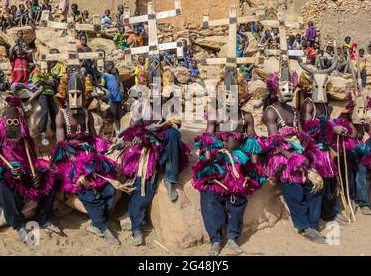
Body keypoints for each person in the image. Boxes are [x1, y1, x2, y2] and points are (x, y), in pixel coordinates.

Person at [52, 72, 134, 245]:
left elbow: (95, 139)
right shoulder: (61, 116)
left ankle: (96, 224)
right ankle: (103, 227)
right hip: (70, 158)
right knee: (88, 191)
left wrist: (100, 153)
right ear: (66, 95)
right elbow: (61, 144)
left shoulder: (88, 115)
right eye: (72, 95)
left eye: (79, 95)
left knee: (111, 188)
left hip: (90, 155)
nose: (75, 99)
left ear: (85, 95)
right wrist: (76, 159)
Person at [0, 96, 60, 242]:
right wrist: (5, 172)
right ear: (3, 123)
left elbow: (32, 162)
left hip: (25, 175)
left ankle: (43, 218)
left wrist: (35, 175)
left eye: (16, 122)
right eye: (9, 122)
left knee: (50, 177)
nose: (13, 125)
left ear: (21, 123)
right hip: (8, 180)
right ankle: (18, 224)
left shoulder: (26, 141)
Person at [192, 74, 266, 256]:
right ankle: (216, 240)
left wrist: (254, 167)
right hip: (217, 160)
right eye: (225, 95)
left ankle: (232, 237)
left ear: (240, 96)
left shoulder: (246, 117)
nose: (229, 100)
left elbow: (252, 141)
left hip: (238, 162)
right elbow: (207, 140)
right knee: (210, 197)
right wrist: (208, 164)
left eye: (233, 95)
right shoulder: (215, 115)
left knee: (238, 198)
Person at [117, 87, 190, 246]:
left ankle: (170, 179)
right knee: (142, 188)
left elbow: (177, 129)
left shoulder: (170, 106)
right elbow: (132, 130)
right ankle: (136, 228)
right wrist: (140, 135)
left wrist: (166, 124)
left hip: (165, 149)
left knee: (172, 134)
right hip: (147, 151)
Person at [262, 65, 326, 244]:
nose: (288, 91)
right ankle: (304, 226)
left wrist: (308, 154)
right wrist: (291, 156)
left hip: (300, 152)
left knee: (316, 185)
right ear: (276, 90)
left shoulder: (294, 111)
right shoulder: (271, 112)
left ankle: (313, 224)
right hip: (282, 155)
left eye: (291, 88)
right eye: (284, 88)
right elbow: (274, 139)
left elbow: (301, 135)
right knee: (294, 189)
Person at [298, 58, 350, 226]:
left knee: (332, 182)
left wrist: (336, 128)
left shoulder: (325, 106)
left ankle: (333, 211)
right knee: (323, 183)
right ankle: (328, 214)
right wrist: (330, 128)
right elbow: (308, 129)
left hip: (325, 150)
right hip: (314, 152)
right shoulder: (308, 105)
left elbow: (327, 124)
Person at [30, 54, 60, 146]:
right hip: (42, 94)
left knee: (55, 112)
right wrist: (46, 82)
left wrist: (44, 81)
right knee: (45, 111)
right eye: (46, 63)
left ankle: (56, 131)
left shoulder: (48, 72)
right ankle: (42, 132)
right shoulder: (36, 71)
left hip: (50, 94)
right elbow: (37, 83)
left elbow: (53, 83)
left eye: (48, 63)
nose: (47, 64)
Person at [100, 61, 124, 135]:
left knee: (120, 116)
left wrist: (116, 75)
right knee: (113, 116)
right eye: (111, 66)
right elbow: (101, 86)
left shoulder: (114, 75)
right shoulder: (104, 76)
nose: (113, 68)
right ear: (107, 67)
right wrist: (106, 90)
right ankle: (116, 131)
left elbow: (119, 83)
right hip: (112, 98)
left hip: (119, 98)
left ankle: (121, 129)